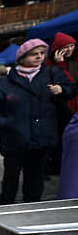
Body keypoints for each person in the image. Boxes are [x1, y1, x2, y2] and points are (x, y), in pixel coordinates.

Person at [0, 38, 77, 204]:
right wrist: (5, 123)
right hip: (14, 140)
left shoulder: (52, 74)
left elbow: (72, 90)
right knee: (10, 181)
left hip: (42, 138)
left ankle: (31, 214)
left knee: (35, 181)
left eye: (42, 53)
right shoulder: (4, 83)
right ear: (22, 57)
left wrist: (62, 89)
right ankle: (5, 212)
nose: (39, 57)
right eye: (34, 54)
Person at [46, 32, 78, 175]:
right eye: (66, 46)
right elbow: (65, 81)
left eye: (72, 46)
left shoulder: (74, 62)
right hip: (57, 107)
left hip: (72, 105)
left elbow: (72, 85)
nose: (70, 49)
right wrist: (59, 65)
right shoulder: (48, 64)